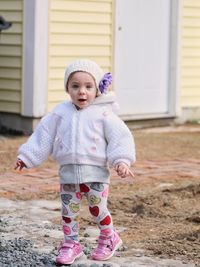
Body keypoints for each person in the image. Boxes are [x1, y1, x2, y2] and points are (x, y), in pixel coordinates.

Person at [15, 59, 136, 265]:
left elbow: (120, 137)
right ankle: (71, 244)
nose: (82, 92)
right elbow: (43, 135)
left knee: (97, 210)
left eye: (88, 87)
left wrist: (121, 160)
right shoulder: (60, 113)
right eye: (75, 86)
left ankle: (109, 237)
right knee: (68, 212)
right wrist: (27, 156)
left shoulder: (104, 114)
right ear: (67, 88)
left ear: (97, 88)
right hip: (68, 172)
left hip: (96, 173)